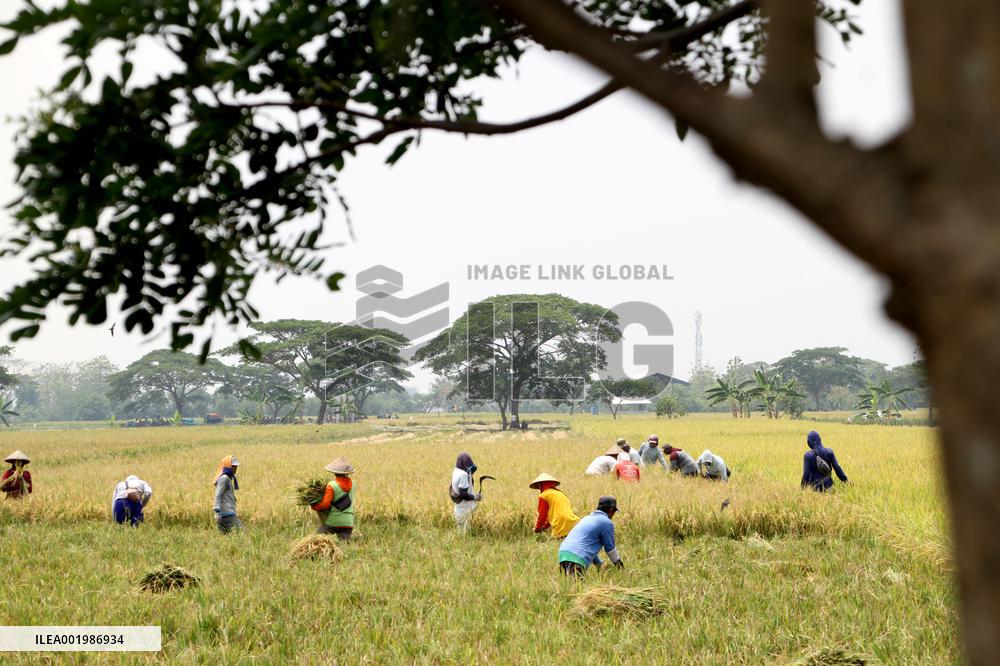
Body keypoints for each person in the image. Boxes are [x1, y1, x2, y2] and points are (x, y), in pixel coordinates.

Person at [558, 496, 625, 576]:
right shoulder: (606, 522)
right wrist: (620, 568)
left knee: (571, 585)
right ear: (611, 509)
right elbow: (610, 549)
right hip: (576, 557)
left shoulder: (586, 518)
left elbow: (587, 546)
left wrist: (599, 564)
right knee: (578, 587)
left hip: (564, 553)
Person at [310, 457, 356, 540]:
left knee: (316, 538)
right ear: (347, 473)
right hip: (349, 522)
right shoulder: (353, 483)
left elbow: (325, 504)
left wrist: (314, 506)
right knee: (344, 544)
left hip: (334, 521)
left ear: (334, 472)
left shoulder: (332, 485)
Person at [529, 472, 580, 538]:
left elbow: (542, 516)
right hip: (575, 523)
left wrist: (537, 528)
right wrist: (544, 527)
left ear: (541, 485)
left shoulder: (543, 496)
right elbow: (553, 516)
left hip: (561, 526)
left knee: (554, 544)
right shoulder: (560, 493)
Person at [450, 452, 481, 533]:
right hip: (465, 510)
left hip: (458, 509)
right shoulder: (463, 475)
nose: (469, 468)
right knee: (466, 534)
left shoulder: (456, 471)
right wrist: (476, 497)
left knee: (459, 534)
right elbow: (463, 494)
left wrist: (472, 470)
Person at [213, 455, 242, 533]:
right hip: (227, 514)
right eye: (233, 466)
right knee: (241, 532)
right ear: (228, 466)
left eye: (236, 466)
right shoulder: (224, 478)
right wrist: (217, 512)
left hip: (228, 512)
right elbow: (218, 495)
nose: (235, 468)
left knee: (226, 537)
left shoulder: (228, 478)